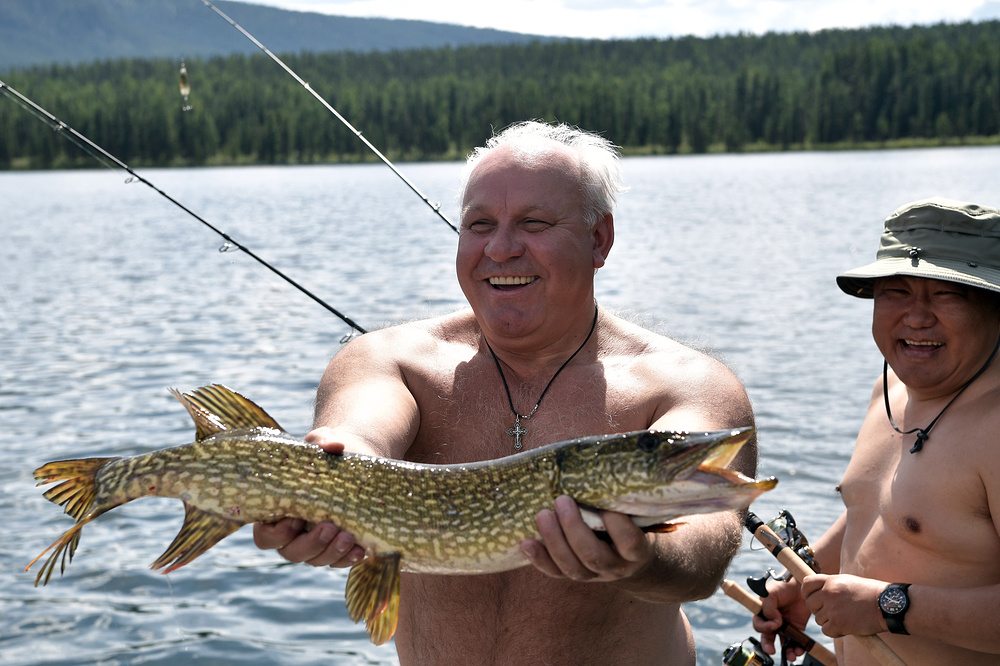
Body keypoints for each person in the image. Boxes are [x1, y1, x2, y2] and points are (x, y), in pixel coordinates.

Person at [253, 120, 757, 665]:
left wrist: (645, 554)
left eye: (534, 223)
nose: (500, 248)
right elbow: (360, 433)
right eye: (480, 224)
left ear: (599, 239)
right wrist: (337, 468)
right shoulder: (389, 360)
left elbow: (703, 548)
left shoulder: (685, 384)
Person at [753, 198, 1000, 664]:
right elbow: (882, 508)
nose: (917, 317)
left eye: (947, 294)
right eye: (896, 292)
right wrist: (806, 582)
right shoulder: (891, 389)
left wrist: (888, 606)